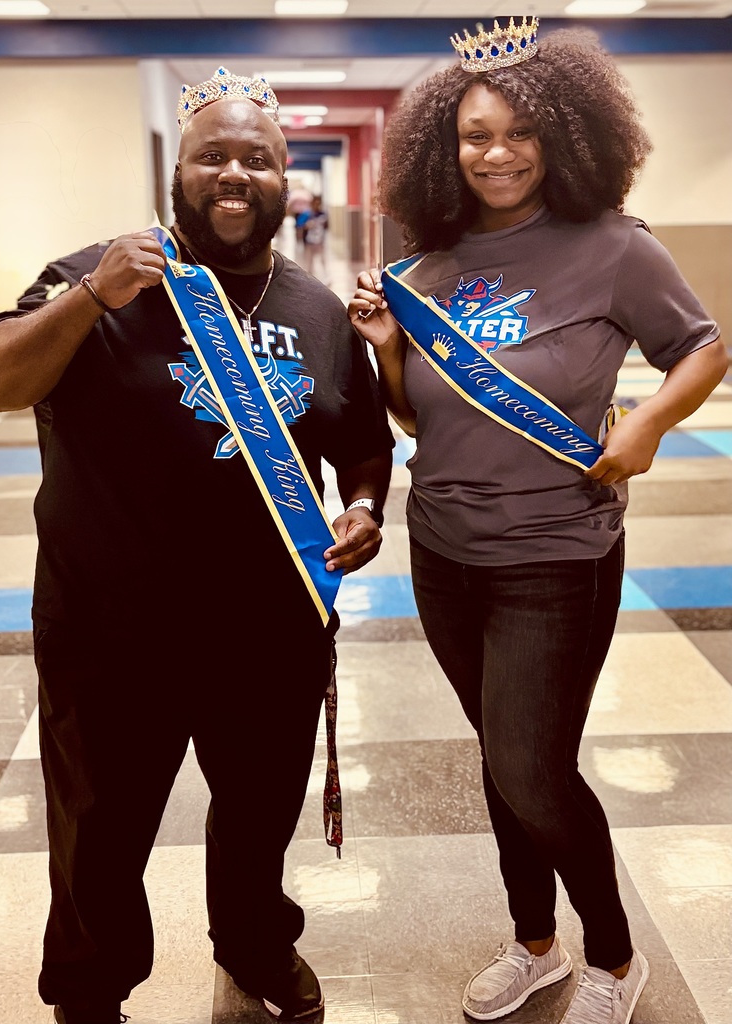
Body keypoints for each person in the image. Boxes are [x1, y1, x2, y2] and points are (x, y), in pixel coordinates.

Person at [0, 67, 394, 1024]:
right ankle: (89, 989)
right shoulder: (98, 270)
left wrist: (364, 505)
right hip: (109, 631)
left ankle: (253, 944)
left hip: (270, 631)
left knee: (256, 817)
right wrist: (89, 300)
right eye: (213, 156)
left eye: (257, 158)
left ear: (289, 178)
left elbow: (362, 442)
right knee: (100, 831)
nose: (233, 173)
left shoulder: (318, 312)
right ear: (179, 173)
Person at [349, 18, 727, 1024]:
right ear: (445, 146)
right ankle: (536, 943)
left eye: (519, 132)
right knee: (500, 754)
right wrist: (389, 347)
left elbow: (703, 345)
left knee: (530, 762)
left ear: (563, 133)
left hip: (558, 552)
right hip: (443, 549)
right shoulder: (430, 265)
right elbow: (413, 410)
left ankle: (613, 954)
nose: (498, 152)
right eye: (475, 135)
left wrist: (647, 420)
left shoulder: (612, 247)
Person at [300, 196, 330, 283]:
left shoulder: (323, 214)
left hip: (320, 241)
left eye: (318, 203)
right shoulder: (307, 214)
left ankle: (326, 277)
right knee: (309, 261)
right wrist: (307, 225)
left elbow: (327, 227)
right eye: (315, 203)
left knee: (322, 260)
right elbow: (299, 225)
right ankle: (309, 278)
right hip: (309, 242)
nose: (317, 205)